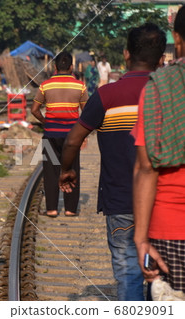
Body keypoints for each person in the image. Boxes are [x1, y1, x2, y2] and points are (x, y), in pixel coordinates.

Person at [59, 23, 166, 301]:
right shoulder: (171, 95)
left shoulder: (106, 95)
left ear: (126, 54)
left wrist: (67, 170)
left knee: (129, 273)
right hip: (164, 202)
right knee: (165, 276)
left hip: (120, 202)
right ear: (162, 59)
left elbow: (72, 140)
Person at [133, 6, 185, 294]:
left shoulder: (160, 87)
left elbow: (145, 167)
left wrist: (141, 238)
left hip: (172, 231)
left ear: (176, 38)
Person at [31, 51, 88, 218]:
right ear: (71, 67)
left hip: (50, 133)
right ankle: (70, 209)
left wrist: (45, 122)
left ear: (55, 67)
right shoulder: (80, 86)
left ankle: (52, 209)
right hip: (72, 136)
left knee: (51, 171)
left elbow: (34, 110)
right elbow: (86, 113)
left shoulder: (45, 85)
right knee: (72, 168)